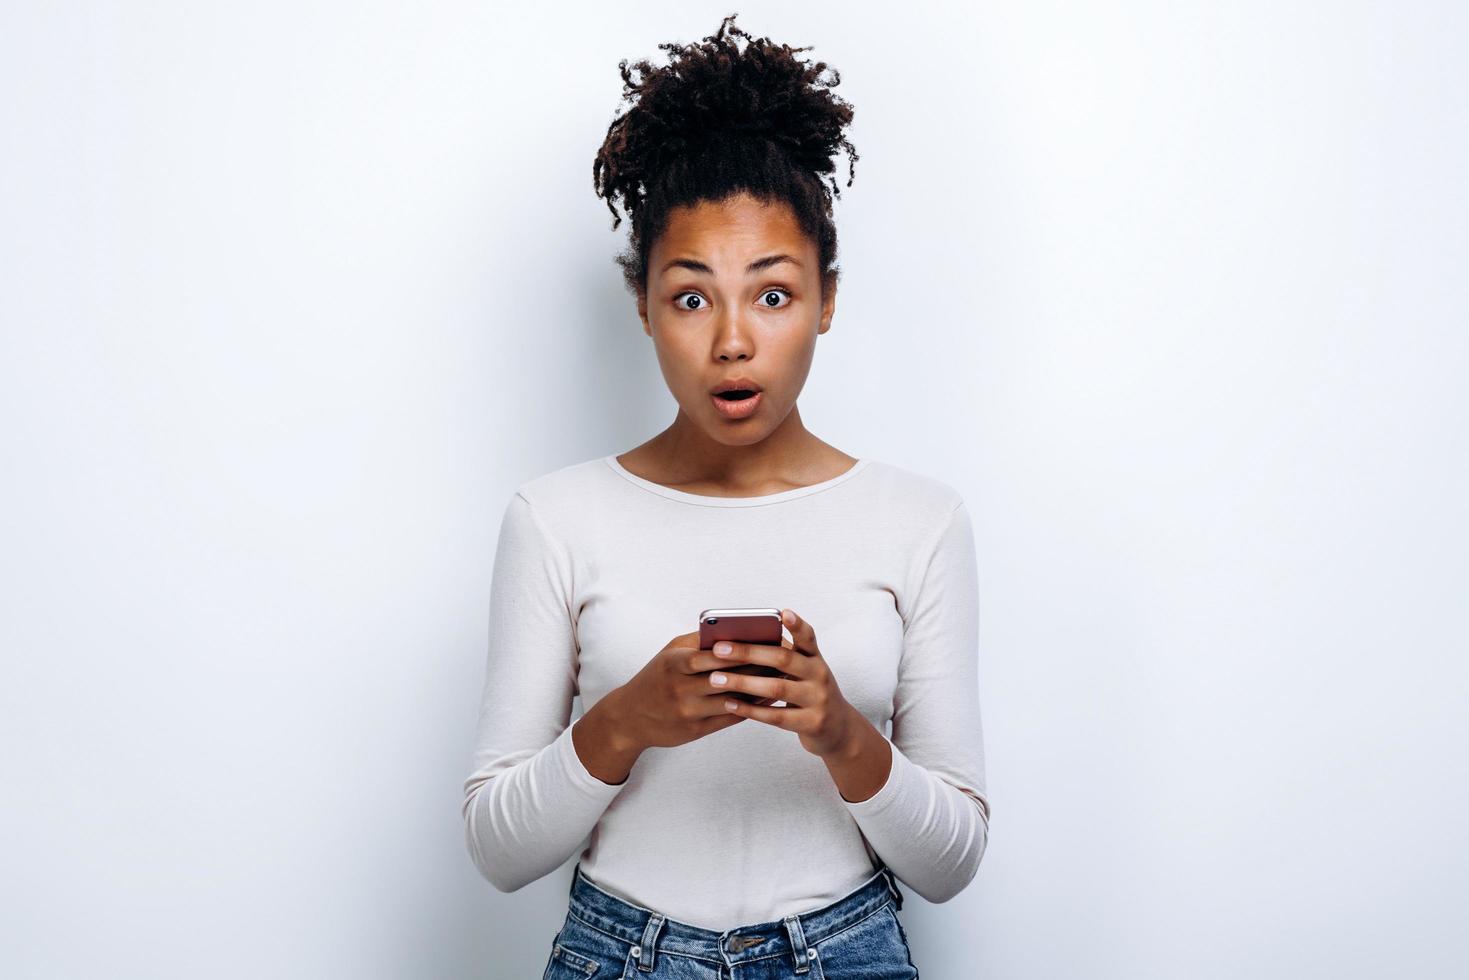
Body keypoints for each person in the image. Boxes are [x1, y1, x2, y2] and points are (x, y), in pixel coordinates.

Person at [462, 14, 989, 978]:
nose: (733, 341)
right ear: (645, 306)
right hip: (619, 953)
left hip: (848, 951)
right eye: (693, 296)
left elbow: (952, 860)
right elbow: (498, 851)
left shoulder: (919, 521)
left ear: (827, 299)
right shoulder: (555, 519)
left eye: (774, 294)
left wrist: (837, 731)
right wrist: (626, 722)